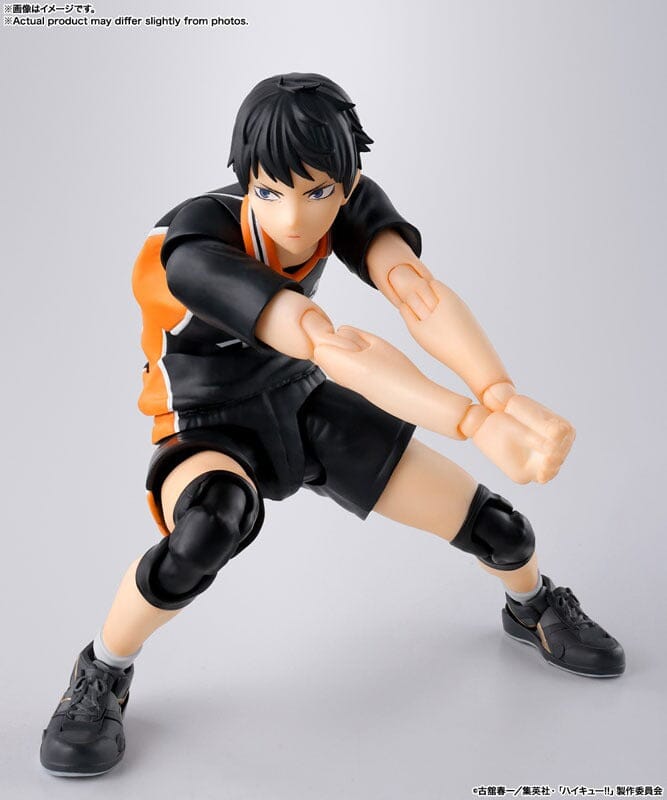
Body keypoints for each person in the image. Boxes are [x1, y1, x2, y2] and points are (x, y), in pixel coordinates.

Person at [40, 73, 625, 778]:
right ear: (246, 178)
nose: (295, 218)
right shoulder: (193, 245)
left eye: (318, 192)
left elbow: (418, 294)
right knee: (209, 526)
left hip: (299, 396)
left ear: (344, 183)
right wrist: (472, 422)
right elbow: (329, 343)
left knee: (503, 531)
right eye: (270, 192)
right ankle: (102, 669)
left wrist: (501, 396)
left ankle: (531, 604)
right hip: (203, 417)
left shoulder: (343, 198)